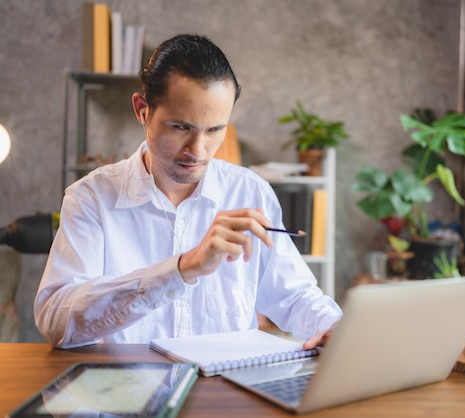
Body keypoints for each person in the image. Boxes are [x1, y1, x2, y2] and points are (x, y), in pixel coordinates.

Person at [34, 34, 342, 349]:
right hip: (126, 392)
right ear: (143, 110)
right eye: (182, 127)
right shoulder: (91, 199)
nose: (198, 150)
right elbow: (56, 324)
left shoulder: (251, 192)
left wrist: (334, 328)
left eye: (215, 130)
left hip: (229, 391)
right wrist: (182, 268)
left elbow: (293, 295)